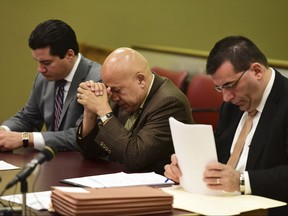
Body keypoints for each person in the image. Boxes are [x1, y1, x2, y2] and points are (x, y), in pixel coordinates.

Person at [164, 36, 288, 215]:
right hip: (219, 205)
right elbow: (219, 153)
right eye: (220, 88)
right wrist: (186, 167)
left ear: (257, 71)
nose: (226, 97)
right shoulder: (233, 104)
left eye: (230, 85)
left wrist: (241, 181)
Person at [76, 47, 193, 174]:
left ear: (140, 80)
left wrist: (103, 110)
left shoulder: (170, 103)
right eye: (108, 88)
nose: (113, 97)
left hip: (157, 185)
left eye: (117, 90)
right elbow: (91, 152)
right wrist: (90, 112)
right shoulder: (123, 95)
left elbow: (135, 157)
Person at [0, 19, 101, 152]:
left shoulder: (97, 79)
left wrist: (26, 138)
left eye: (46, 63)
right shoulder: (43, 77)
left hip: (86, 164)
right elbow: (28, 117)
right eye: (37, 61)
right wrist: (3, 132)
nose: (40, 70)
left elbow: (81, 135)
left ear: (69, 55)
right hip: (51, 161)